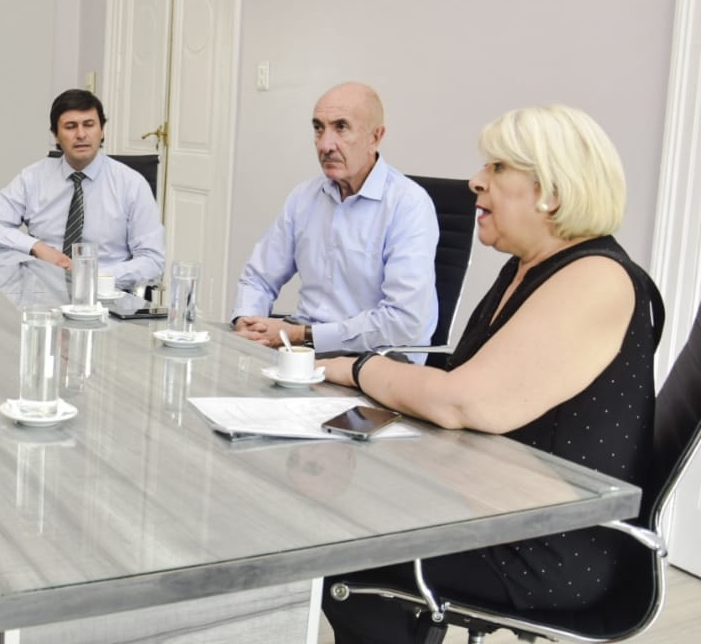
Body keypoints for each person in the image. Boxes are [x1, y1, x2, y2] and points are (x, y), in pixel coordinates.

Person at [318, 104, 660, 644]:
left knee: (335, 540)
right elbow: (464, 377)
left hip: (545, 544)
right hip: (495, 502)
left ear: (551, 192)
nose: (475, 181)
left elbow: (463, 400)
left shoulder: (598, 278)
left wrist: (358, 368)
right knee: (335, 502)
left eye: (497, 168)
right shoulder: (528, 267)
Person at [230, 81, 438, 352]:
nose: (326, 144)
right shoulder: (304, 196)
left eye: (341, 127)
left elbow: (403, 323)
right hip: (302, 349)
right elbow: (258, 277)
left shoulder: (408, 205)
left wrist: (302, 335)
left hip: (374, 358)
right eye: (319, 128)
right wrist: (247, 322)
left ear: (375, 137)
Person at [0, 89, 165, 288]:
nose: (81, 134)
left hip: (105, 293)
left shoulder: (132, 184)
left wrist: (93, 277)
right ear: (56, 135)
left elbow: (152, 260)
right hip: (43, 289)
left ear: (102, 130)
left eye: (89, 125)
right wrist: (36, 247)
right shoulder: (33, 178)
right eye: (70, 127)